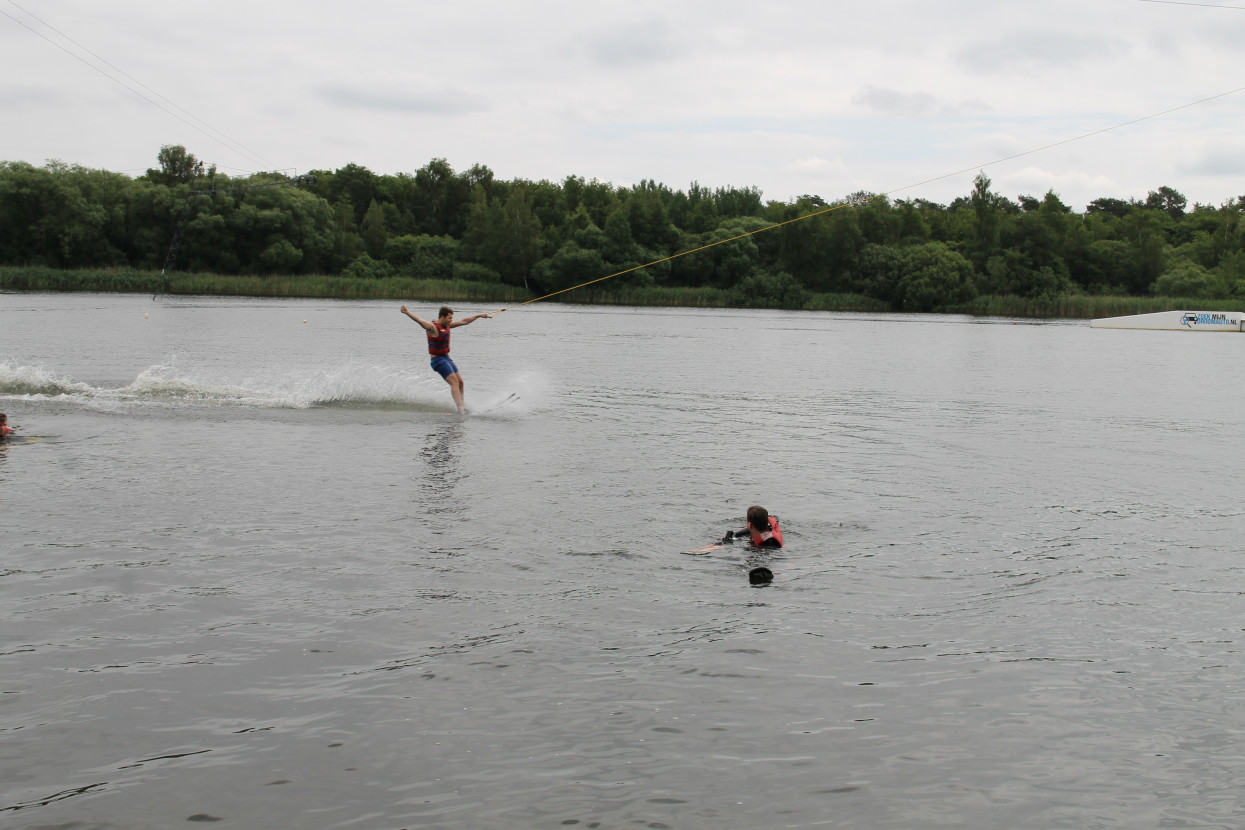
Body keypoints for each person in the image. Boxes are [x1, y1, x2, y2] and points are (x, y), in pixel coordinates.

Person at [401, 304, 492, 415]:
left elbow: (464, 321)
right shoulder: (432, 327)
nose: (451, 320)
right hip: (437, 360)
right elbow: (420, 321)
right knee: (454, 382)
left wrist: (479, 315)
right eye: (449, 318)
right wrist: (407, 312)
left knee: (461, 382)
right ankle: (460, 409)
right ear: (442, 317)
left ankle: (462, 406)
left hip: (446, 358)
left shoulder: (448, 325)